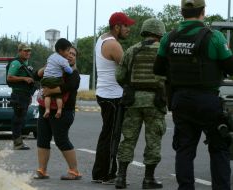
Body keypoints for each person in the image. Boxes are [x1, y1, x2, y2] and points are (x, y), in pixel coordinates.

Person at [153, 0, 233, 189]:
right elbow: (230, 67)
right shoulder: (215, 37)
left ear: (181, 12)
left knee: (185, 149)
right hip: (208, 100)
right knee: (219, 147)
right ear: (203, 12)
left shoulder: (168, 38)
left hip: (180, 100)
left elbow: (158, 69)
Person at [115, 18, 166, 189]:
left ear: (144, 31)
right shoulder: (163, 51)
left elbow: (120, 76)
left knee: (128, 139)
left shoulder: (132, 50)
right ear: (160, 32)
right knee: (153, 141)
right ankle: (148, 179)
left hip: (133, 101)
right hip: (156, 101)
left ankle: (120, 178)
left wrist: (132, 88)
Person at [92, 12, 135, 184]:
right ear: (117, 27)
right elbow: (127, 70)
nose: (128, 29)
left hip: (105, 93)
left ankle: (99, 173)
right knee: (112, 136)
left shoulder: (102, 38)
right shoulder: (113, 45)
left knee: (106, 134)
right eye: (126, 26)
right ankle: (107, 174)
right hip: (113, 96)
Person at [34, 46, 82, 180]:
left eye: (74, 54)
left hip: (64, 111)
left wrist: (49, 91)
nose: (71, 55)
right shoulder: (53, 68)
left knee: (61, 140)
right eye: (68, 52)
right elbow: (35, 76)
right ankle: (42, 170)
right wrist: (47, 66)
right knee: (42, 138)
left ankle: (74, 171)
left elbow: (67, 87)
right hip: (45, 109)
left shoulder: (74, 73)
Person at [7, 43, 38, 150]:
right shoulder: (16, 63)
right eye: (25, 51)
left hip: (25, 95)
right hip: (18, 95)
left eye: (29, 50)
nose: (28, 52)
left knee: (21, 119)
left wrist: (29, 95)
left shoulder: (26, 63)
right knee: (18, 119)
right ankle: (17, 143)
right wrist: (24, 79)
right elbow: (9, 78)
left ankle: (19, 142)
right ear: (19, 51)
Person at [41, 38, 73, 119]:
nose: (69, 53)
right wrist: (70, 69)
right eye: (68, 50)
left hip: (46, 79)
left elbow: (47, 64)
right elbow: (69, 71)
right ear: (60, 50)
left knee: (47, 95)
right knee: (58, 95)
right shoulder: (63, 60)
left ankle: (47, 109)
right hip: (56, 80)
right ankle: (59, 110)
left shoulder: (51, 56)